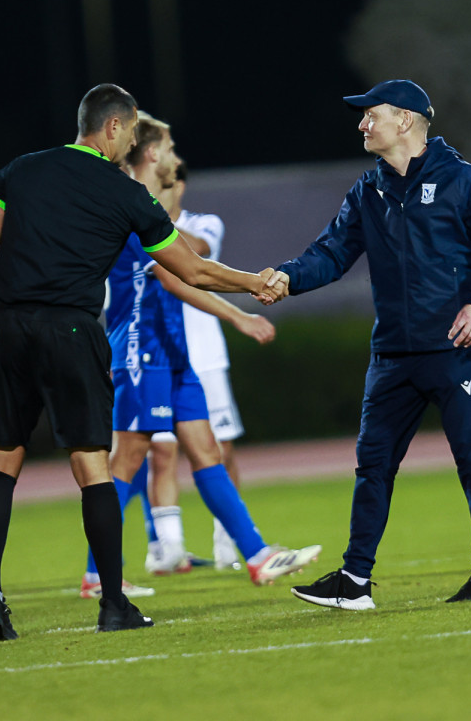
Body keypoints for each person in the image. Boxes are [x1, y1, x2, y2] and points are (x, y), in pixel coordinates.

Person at [0, 84, 287, 640]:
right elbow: (191, 269)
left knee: (1, 463)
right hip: (71, 330)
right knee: (93, 467)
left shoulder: (19, 170)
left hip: (7, 327)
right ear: (112, 126)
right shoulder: (125, 192)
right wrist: (255, 283)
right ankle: (112, 604)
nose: (131, 143)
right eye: (130, 132)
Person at [275, 80, 471, 610]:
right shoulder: (367, 191)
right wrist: (286, 277)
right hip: (391, 355)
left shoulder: (462, 180)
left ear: (406, 121)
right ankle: (355, 581)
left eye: (372, 115)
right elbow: (330, 254)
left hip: (453, 350)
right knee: (372, 467)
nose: (362, 125)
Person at [85, 114, 320, 592]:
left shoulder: (150, 207)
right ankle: (98, 574)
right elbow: (180, 276)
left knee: (206, 451)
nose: (176, 158)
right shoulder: (131, 206)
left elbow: (183, 272)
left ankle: (257, 557)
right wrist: (242, 308)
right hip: (142, 350)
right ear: (152, 153)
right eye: (170, 148)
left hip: (174, 352)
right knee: (127, 460)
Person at [144, 158, 269, 572]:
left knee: (220, 450)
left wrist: (149, 223)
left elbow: (198, 252)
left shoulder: (203, 223)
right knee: (160, 452)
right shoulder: (135, 228)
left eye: (167, 183)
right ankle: (167, 550)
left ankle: (226, 543)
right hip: (162, 354)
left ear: (178, 186)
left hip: (206, 356)